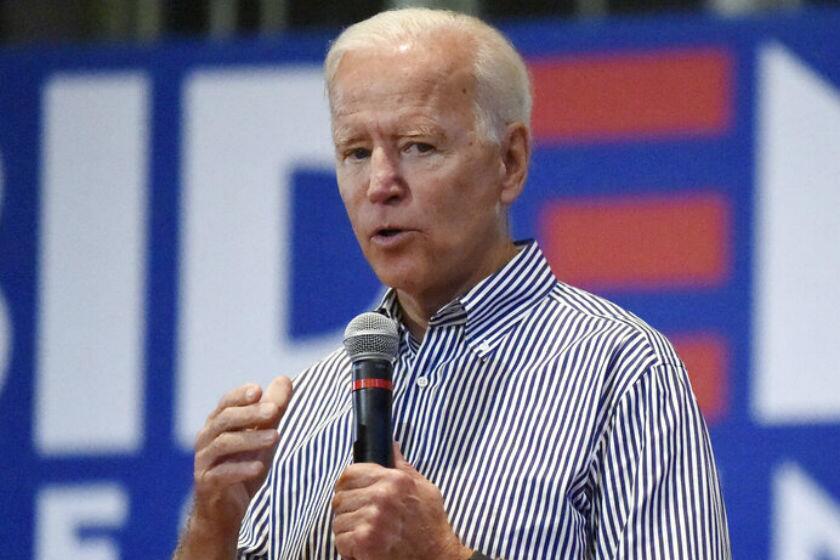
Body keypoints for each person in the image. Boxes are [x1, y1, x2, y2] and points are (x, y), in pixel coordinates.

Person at [174, 8, 730, 560]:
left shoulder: (621, 371)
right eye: (356, 153)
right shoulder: (305, 409)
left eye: (418, 146)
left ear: (509, 163)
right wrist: (211, 528)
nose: (380, 185)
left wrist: (440, 554)